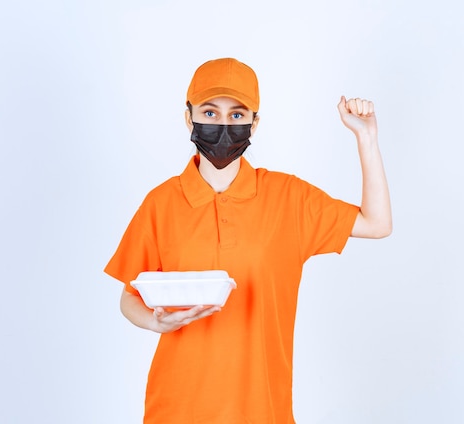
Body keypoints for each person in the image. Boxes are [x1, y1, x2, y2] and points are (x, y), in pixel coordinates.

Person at [105, 57, 392, 423]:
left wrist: (366, 138)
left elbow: (377, 223)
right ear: (188, 117)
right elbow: (129, 296)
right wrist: (154, 321)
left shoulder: (289, 198)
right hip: (175, 408)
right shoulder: (161, 203)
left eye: (237, 115)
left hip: (262, 410)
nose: (223, 124)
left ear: (254, 123)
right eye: (209, 113)